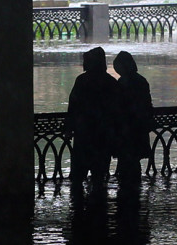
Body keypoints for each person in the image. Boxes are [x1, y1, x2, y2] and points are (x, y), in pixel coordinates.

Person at [65, 47, 123, 196]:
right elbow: (117, 111)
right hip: (103, 135)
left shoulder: (82, 81)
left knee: (78, 175)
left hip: (84, 134)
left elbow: (73, 106)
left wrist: (68, 127)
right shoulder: (111, 82)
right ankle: (98, 207)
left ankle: (78, 209)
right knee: (99, 175)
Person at [112, 51, 154, 187]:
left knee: (126, 160)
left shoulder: (123, 82)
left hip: (126, 129)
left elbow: (118, 106)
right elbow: (147, 105)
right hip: (139, 127)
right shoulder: (141, 81)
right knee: (134, 161)